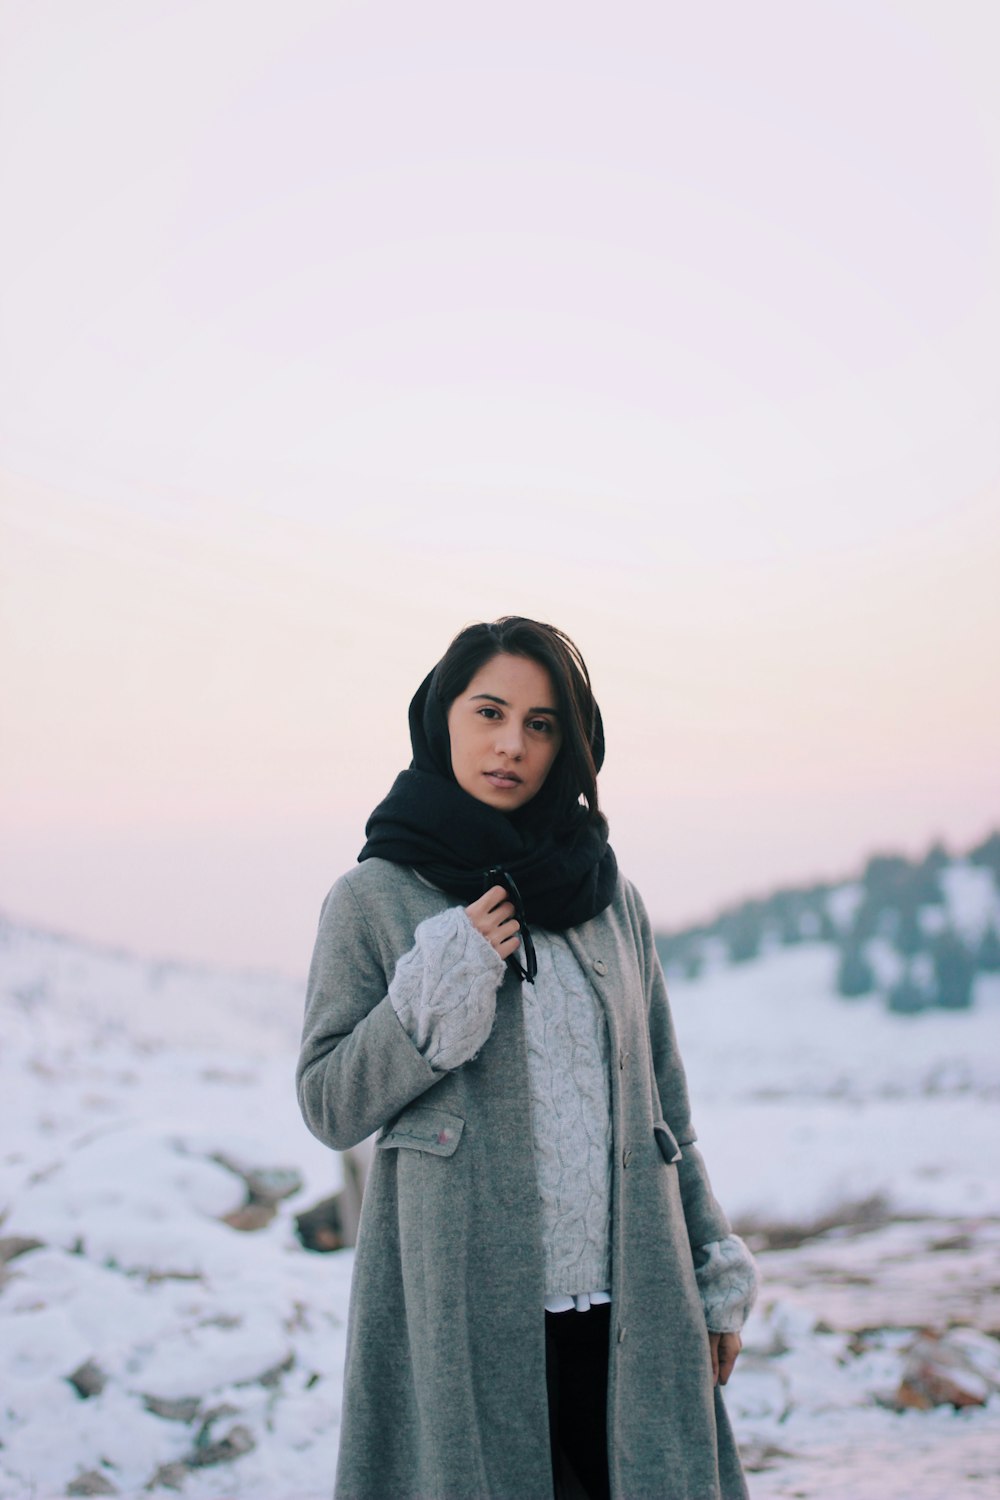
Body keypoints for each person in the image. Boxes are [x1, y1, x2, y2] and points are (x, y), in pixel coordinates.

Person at [297, 616, 758, 1500]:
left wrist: (711, 1265)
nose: (511, 744)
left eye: (541, 725)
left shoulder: (608, 895)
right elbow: (328, 1103)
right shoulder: (373, 897)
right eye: (490, 712)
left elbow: (666, 1110)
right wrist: (438, 990)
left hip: (633, 1306)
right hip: (464, 1309)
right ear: (443, 719)